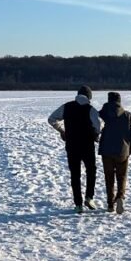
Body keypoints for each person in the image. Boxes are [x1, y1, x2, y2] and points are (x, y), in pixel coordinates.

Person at [48, 85, 101, 213]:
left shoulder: (67, 106)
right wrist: (95, 135)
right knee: (91, 171)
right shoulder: (91, 109)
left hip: (71, 145)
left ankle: (78, 204)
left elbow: (51, 119)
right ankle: (89, 197)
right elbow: (97, 126)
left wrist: (61, 130)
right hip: (87, 145)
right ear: (89, 97)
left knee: (75, 174)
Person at [98, 92, 131, 214]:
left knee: (109, 178)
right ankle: (120, 197)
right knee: (122, 176)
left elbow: (98, 118)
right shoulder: (127, 115)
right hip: (122, 151)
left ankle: (110, 204)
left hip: (107, 151)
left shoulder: (104, 113)